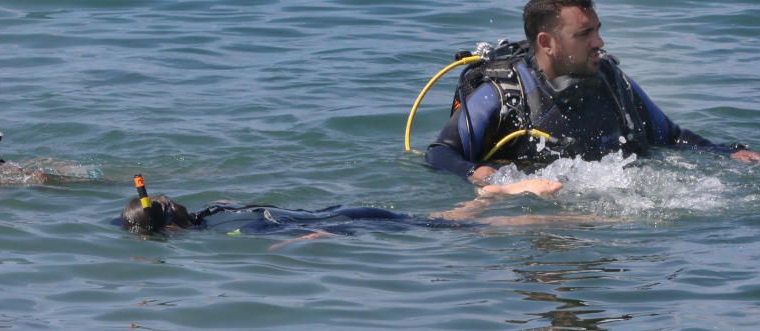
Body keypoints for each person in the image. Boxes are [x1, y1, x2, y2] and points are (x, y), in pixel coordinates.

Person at [426, 0, 760, 184]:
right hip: (529, 210)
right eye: (584, 34)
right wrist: (478, 173)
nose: (599, 42)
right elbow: (440, 153)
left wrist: (725, 152)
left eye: (597, 30)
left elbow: (669, 135)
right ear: (546, 42)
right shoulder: (503, 92)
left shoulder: (610, 78)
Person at [118, 178, 564, 237]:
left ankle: (505, 203)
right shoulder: (215, 210)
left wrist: (299, 246)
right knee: (441, 221)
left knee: (452, 229)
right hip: (341, 208)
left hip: (341, 221)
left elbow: (296, 232)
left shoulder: (224, 232)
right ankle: (489, 197)